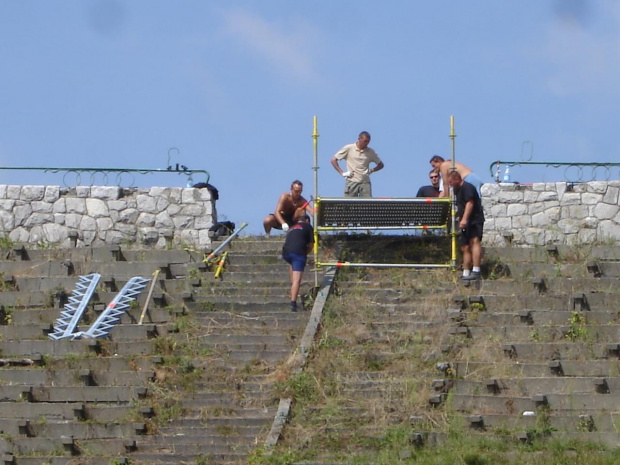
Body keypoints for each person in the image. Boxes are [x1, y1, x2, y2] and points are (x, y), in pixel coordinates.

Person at [448, 171, 485, 280]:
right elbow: (461, 205)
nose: (450, 184)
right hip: (465, 222)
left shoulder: (467, 187)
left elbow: (470, 203)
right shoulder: (456, 190)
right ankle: (466, 271)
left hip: (474, 220)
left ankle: (476, 270)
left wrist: (464, 219)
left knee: (474, 242)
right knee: (465, 246)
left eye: (451, 182)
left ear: (456, 179)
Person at [331, 131, 384, 198]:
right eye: (365, 141)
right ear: (359, 139)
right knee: (349, 205)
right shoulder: (349, 148)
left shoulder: (371, 152)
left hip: (365, 182)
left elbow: (381, 165)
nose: (366, 143)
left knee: (366, 205)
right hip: (352, 181)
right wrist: (342, 173)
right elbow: (333, 160)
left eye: (368, 141)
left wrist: (371, 170)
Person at [282, 214, 314, 312]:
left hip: (286, 252)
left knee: (293, 269)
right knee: (297, 281)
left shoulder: (292, 228)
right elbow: (311, 244)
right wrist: (304, 254)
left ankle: (293, 294)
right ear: (307, 220)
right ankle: (293, 304)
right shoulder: (308, 226)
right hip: (298, 253)